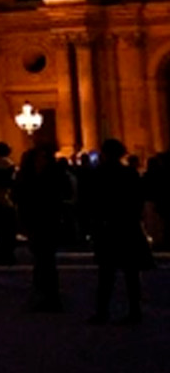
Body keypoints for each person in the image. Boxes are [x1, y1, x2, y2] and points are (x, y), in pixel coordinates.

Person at [85, 139, 148, 325]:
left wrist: (94, 226)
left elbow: (93, 202)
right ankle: (135, 311)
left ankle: (102, 312)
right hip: (128, 226)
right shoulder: (130, 173)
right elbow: (139, 199)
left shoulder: (99, 174)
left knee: (106, 274)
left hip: (108, 227)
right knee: (132, 274)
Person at [15, 140, 68, 312]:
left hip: (48, 221)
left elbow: (61, 195)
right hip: (35, 221)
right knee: (41, 260)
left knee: (46, 261)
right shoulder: (30, 178)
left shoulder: (52, 176)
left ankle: (50, 297)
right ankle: (45, 295)